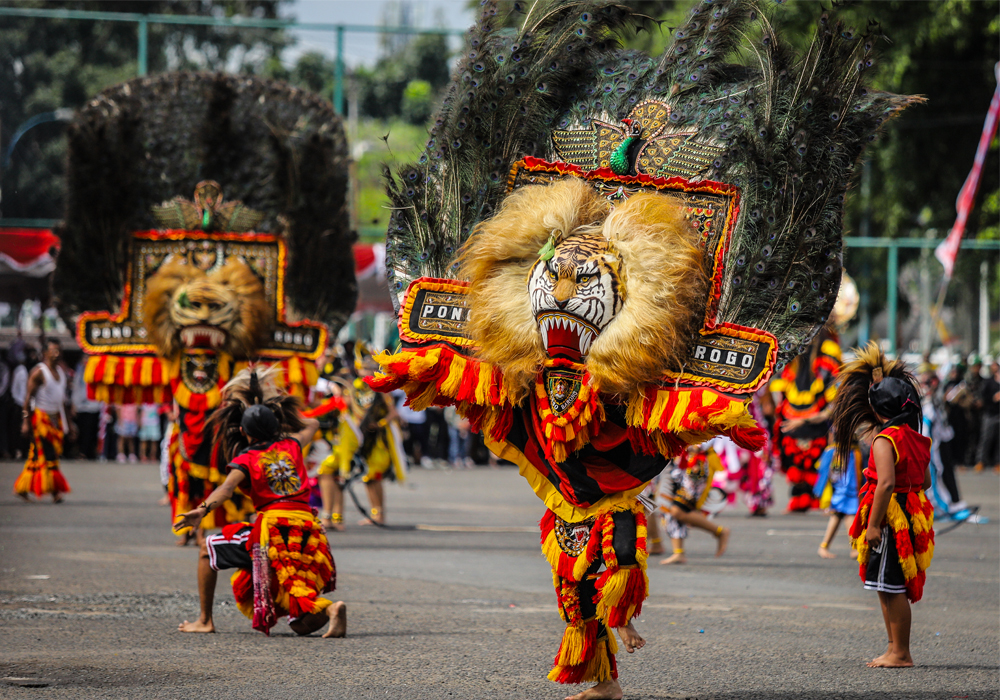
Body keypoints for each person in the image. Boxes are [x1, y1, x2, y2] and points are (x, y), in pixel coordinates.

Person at [174, 367, 346, 638]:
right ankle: (330, 610)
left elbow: (226, 489)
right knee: (299, 625)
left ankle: (204, 620)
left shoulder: (246, 457)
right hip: (307, 532)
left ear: (242, 431)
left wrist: (202, 510)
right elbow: (311, 424)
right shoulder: (292, 444)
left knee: (208, 550)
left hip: (274, 531)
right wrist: (278, 412)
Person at [835, 342, 934, 668]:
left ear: (878, 412)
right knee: (885, 584)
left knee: (891, 587)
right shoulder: (917, 438)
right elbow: (926, 482)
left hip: (892, 517)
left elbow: (886, 483)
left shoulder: (884, 439)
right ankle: (893, 647)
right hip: (910, 510)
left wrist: (875, 524)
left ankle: (901, 652)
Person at [13, 339, 74, 502]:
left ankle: (23, 487)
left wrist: (70, 423)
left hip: (56, 419)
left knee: (38, 455)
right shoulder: (39, 372)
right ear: (44, 353)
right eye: (53, 350)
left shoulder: (61, 373)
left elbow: (63, 401)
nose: (57, 353)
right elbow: (28, 400)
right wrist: (26, 422)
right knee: (47, 454)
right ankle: (54, 491)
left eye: (59, 350)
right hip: (40, 420)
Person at [655, 443, 731, 565]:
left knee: (678, 509)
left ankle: (719, 531)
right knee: (669, 506)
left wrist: (696, 445)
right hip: (677, 458)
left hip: (696, 462)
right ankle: (678, 552)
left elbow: (711, 432)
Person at [813, 428, 861, 559]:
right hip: (843, 490)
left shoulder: (853, 452)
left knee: (841, 515)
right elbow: (827, 472)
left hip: (849, 489)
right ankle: (853, 548)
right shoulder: (835, 452)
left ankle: (826, 546)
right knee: (848, 514)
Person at [975, 361, 999, 472]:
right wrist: (994, 398)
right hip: (990, 414)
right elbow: (983, 398)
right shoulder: (988, 382)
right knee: (986, 438)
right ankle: (981, 461)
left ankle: (997, 462)